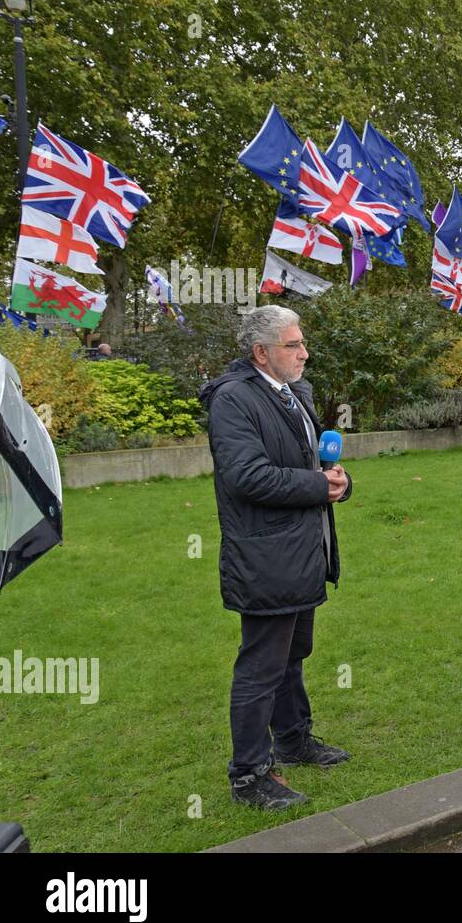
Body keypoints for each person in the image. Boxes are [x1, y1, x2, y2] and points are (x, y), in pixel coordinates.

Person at [199, 305, 353, 811]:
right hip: (265, 556)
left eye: (302, 342)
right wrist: (315, 485)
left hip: (303, 550)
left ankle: (294, 739)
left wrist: (337, 482)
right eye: (292, 345)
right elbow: (247, 476)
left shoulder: (295, 393)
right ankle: (249, 775)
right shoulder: (233, 400)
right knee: (260, 666)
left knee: (293, 655)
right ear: (261, 352)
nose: (304, 353)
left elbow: (308, 464)